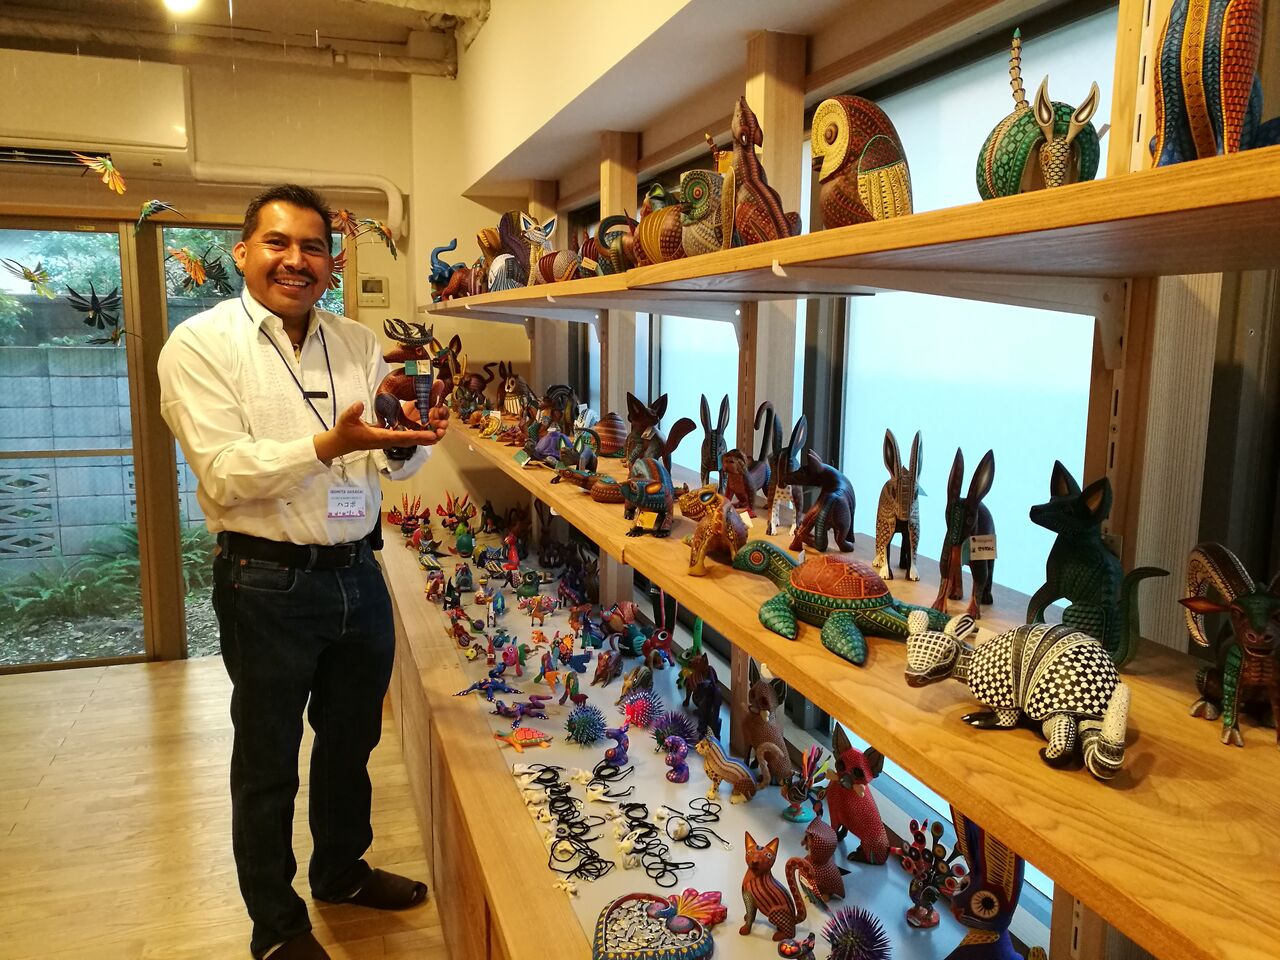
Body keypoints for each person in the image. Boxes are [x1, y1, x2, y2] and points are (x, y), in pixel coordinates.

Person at [157, 184, 448, 960]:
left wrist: (408, 439)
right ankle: (276, 928)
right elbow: (224, 473)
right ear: (242, 252)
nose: (296, 260)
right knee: (268, 762)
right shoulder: (200, 344)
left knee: (350, 743)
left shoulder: (357, 342)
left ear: (332, 261)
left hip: (359, 571)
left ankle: (341, 873)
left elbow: (393, 459)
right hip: (265, 582)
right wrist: (330, 444)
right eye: (278, 243)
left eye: (313, 246)